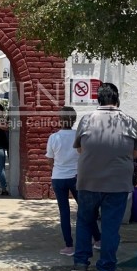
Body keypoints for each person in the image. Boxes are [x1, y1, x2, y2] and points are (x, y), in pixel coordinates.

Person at [71, 83, 137, 271]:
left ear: (98, 100)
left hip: (88, 181)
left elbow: (80, 149)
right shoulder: (129, 122)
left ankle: (80, 264)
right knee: (111, 227)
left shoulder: (86, 120)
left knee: (85, 221)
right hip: (117, 183)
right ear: (117, 100)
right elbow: (136, 153)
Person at [47, 106, 95, 256]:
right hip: (76, 177)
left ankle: (69, 246)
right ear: (74, 120)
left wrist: (57, 168)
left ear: (59, 120)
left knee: (64, 212)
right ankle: (98, 239)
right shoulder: (79, 137)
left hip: (58, 177)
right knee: (86, 209)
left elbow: (50, 160)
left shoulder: (54, 137)